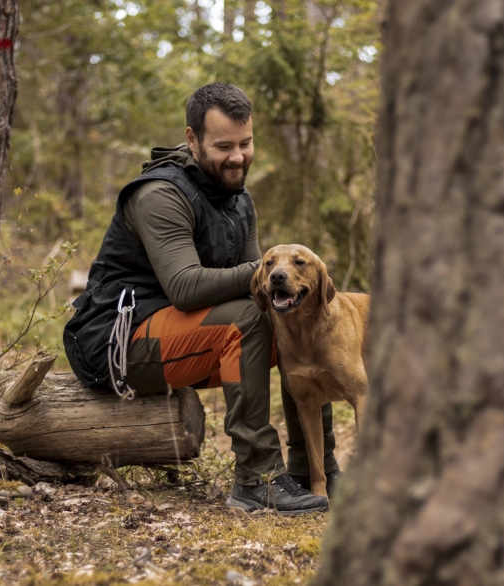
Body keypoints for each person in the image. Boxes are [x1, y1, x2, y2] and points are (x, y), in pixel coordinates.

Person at [64, 82, 338, 514]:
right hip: (119, 342)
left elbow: (263, 291)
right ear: (192, 140)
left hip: (177, 332)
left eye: (245, 143)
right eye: (223, 145)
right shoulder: (159, 195)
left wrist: (283, 282)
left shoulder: (238, 197)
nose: (237, 156)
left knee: (289, 312)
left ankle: (314, 469)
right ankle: (257, 478)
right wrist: (275, 269)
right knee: (247, 319)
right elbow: (186, 287)